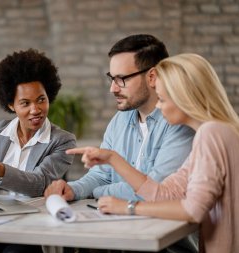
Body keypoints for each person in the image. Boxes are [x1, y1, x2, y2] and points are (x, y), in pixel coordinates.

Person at [67, 53, 239, 252]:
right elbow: (165, 193)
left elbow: (194, 210)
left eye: (163, 99)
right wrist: (112, 158)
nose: (158, 105)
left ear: (184, 98)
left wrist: (128, 208)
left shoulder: (211, 134)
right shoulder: (220, 131)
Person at [44, 34, 195, 202]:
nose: (113, 88)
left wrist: (97, 192)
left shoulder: (179, 122)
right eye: (112, 78)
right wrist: (73, 189)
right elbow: (101, 175)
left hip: (162, 225)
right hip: (121, 221)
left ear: (152, 77)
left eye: (122, 79)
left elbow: (156, 191)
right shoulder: (119, 120)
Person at [0, 48, 76, 253]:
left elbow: (39, 184)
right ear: (11, 105)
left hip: (31, 225)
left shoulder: (62, 141)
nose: (35, 109)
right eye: (25, 103)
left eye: (41, 99)